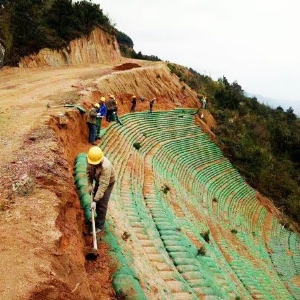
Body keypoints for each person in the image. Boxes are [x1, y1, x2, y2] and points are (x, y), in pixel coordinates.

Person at [87, 146, 116, 233]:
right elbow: (88, 171)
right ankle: (95, 217)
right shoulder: (90, 159)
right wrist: (90, 184)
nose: (93, 164)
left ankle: (100, 225)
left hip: (108, 182)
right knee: (96, 193)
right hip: (98, 178)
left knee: (102, 203)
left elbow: (103, 185)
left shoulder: (105, 167)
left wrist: (95, 201)